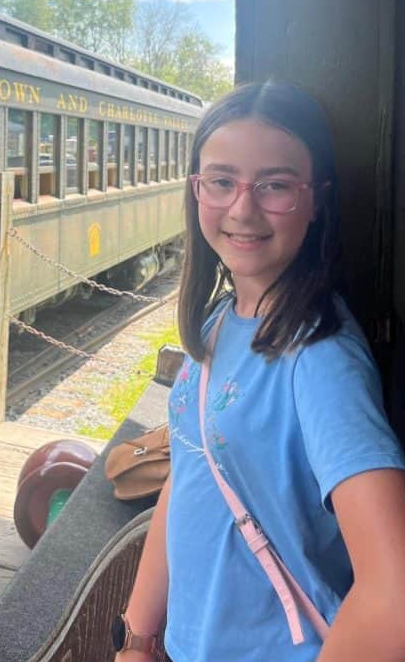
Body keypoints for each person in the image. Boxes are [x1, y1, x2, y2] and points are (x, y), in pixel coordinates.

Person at [115, 81, 405, 661]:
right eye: (221, 181)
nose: (242, 209)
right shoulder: (223, 321)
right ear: (196, 188)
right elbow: (193, 470)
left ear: (316, 199)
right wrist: (139, 639)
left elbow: (394, 591)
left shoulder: (319, 359)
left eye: (274, 185)